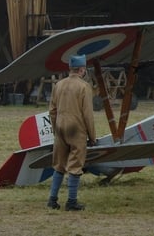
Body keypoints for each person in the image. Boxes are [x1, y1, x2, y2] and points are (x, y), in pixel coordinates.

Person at [47, 54, 96, 210]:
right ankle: (72, 202)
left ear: (70, 68)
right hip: (77, 130)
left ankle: (52, 200)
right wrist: (92, 136)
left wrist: (56, 129)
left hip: (60, 128)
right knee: (75, 165)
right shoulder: (84, 87)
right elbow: (88, 114)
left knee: (58, 165)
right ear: (82, 70)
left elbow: (52, 110)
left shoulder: (58, 85)